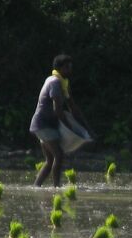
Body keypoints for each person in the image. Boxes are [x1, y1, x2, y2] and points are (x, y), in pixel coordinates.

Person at [30, 54, 89, 188]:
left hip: (46, 124)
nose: (70, 70)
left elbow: (72, 106)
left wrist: (86, 127)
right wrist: (70, 128)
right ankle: (57, 187)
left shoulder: (63, 83)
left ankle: (36, 187)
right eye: (67, 67)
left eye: (70, 67)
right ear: (60, 68)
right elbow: (58, 110)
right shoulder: (54, 82)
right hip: (43, 124)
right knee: (59, 155)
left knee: (50, 160)